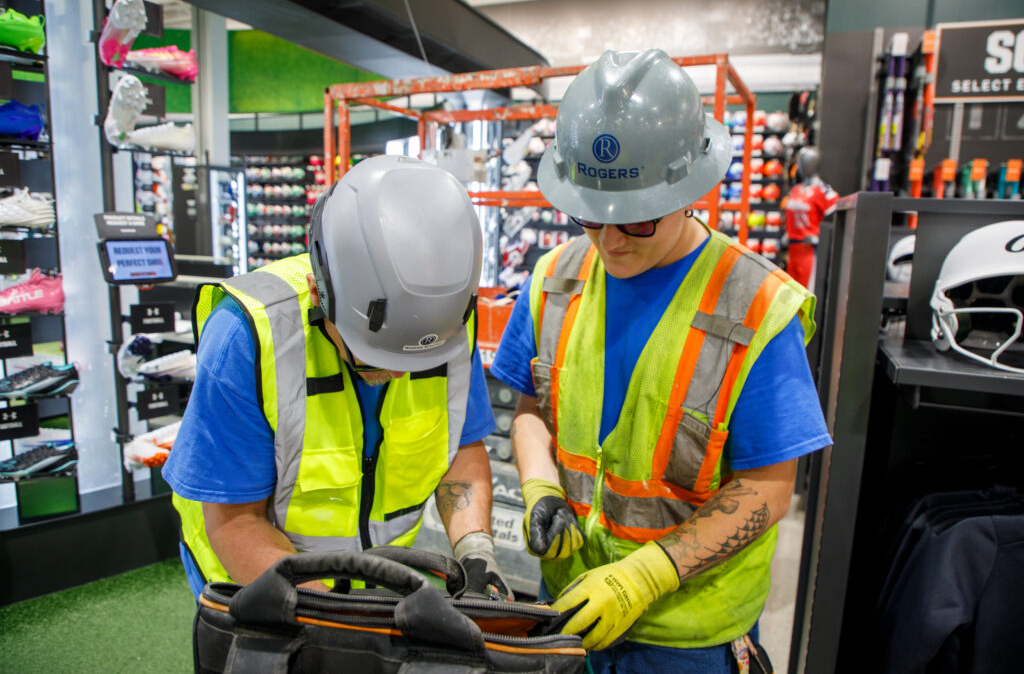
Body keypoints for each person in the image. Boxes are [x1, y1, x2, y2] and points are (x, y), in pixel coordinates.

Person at [490, 49, 831, 672]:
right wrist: (540, 484)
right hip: (565, 608)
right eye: (591, 216)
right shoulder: (553, 280)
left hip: (687, 635)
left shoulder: (755, 306)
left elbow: (769, 489)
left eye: (639, 221)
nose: (611, 240)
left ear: (692, 188)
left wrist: (649, 574)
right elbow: (532, 409)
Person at [163, 155, 511, 600]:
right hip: (253, 585)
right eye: (372, 357)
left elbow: (461, 447)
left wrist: (477, 550)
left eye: (418, 361)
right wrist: (332, 620)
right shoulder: (246, 335)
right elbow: (236, 521)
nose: (397, 374)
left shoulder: (447, 324)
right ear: (318, 292)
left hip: (379, 587)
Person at [782, 146, 839, 289]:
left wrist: (820, 238)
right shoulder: (796, 190)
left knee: (807, 291)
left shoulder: (822, 190)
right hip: (792, 248)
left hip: (809, 250)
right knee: (791, 292)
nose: (799, 165)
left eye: (803, 161)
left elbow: (840, 214)